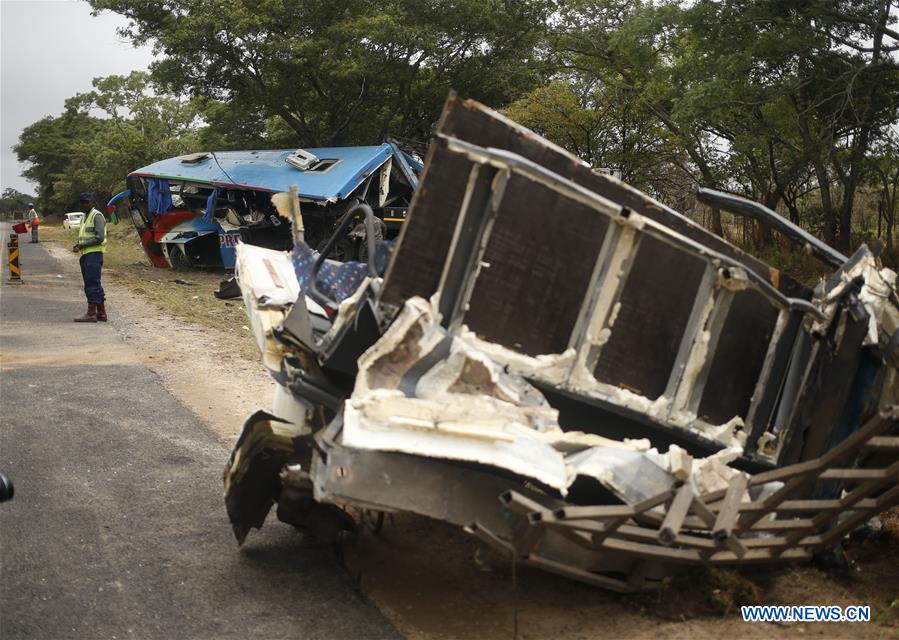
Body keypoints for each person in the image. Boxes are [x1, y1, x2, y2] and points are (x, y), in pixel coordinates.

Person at [72, 193, 108, 323]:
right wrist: (79, 245)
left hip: (94, 254)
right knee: (95, 283)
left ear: (91, 203)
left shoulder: (96, 216)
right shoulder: (85, 217)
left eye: (86, 202)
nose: (84, 205)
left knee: (91, 283)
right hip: (86, 254)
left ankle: (91, 314)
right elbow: (85, 236)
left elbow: (99, 238)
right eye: (82, 202)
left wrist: (82, 245)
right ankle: (101, 313)